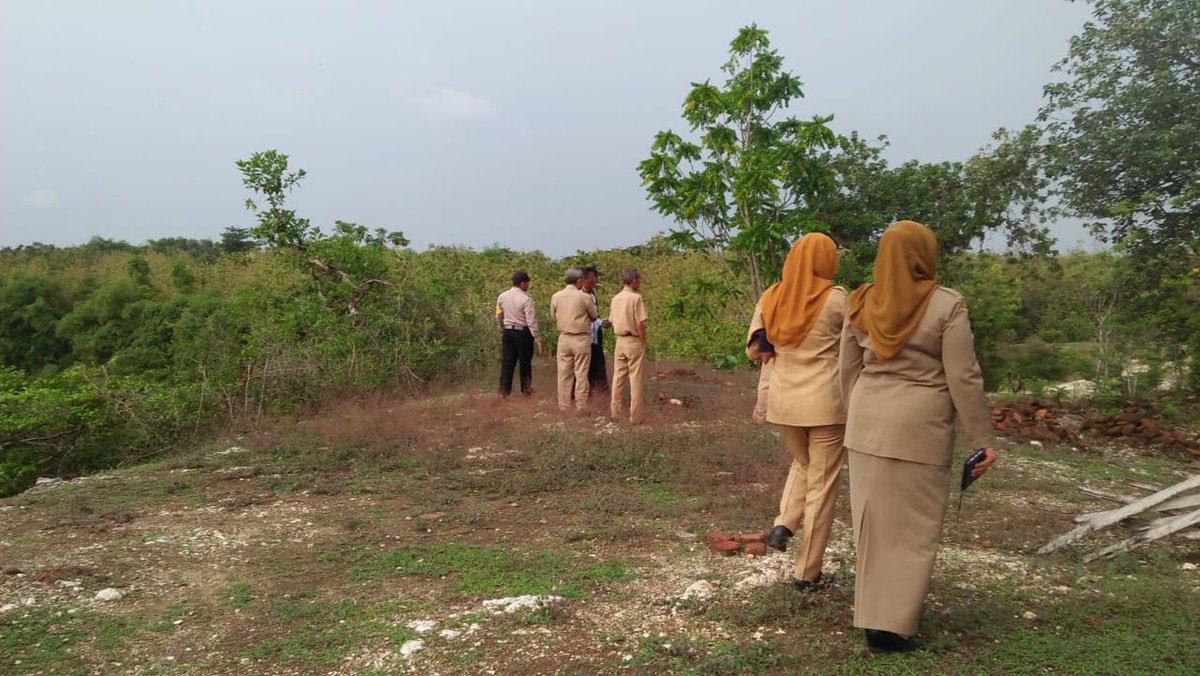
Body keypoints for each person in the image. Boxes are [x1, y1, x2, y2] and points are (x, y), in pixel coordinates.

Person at [839, 220, 997, 653]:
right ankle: (893, 627)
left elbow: (847, 369)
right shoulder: (946, 304)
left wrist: (856, 416)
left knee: (871, 525)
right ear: (923, 254)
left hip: (868, 424)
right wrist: (982, 437)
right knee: (913, 529)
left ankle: (875, 620)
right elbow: (963, 377)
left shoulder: (862, 300)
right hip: (920, 429)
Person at [746, 233, 847, 590]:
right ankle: (807, 573)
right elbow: (856, 348)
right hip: (825, 404)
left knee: (804, 464)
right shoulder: (836, 299)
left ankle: (782, 524)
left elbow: (755, 350)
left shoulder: (772, 295)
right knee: (822, 484)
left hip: (783, 402)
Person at [550, 267, 597, 411]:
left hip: (563, 338)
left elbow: (553, 316)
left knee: (564, 374)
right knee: (581, 373)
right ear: (578, 281)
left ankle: (563, 406)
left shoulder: (556, 296)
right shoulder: (584, 297)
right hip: (580, 338)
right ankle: (581, 406)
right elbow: (594, 316)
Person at [495, 270, 543, 397]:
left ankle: (503, 392)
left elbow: (499, 315)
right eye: (527, 282)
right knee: (525, 363)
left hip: (508, 331)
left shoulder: (502, 296)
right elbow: (531, 321)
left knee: (507, 363)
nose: (528, 285)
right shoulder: (526, 299)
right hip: (523, 333)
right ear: (522, 283)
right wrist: (538, 338)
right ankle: (526, 391)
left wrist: (503, 328)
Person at [609, 266, 648, 423]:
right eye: (638, 279)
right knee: (635, 379)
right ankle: (636, 417)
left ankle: (615, 413)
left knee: (618, 378)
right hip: (632, 340)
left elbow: (611, 320)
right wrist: (642, 342)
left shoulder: (615, 298)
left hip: (619, 340)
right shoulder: (636, 298)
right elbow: (639, 323)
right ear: (633, 280)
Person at [581, 266, 610, 394]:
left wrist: (601, 322)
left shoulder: (592, 294)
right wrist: (600, 322)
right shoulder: (578, 295)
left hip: (595, 335)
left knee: (598, 366)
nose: (596, 280)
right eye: (594, 277)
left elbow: (594, 316)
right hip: (584, 336)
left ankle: (600, 395)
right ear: (585, 278)